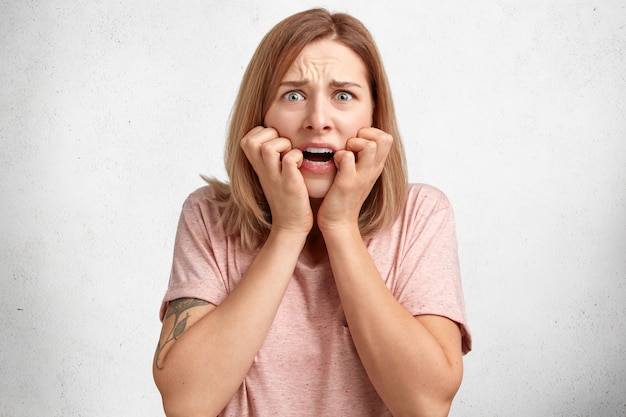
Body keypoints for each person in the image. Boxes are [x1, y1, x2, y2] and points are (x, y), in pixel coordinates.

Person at [153, 8, 471, 417]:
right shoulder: (207, 215)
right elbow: (186, 403)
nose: (318, 121)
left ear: (374, 115)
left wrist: (339, 226)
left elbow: (425, 405)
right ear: (260, 117)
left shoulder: (421, 215)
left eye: (343, 95)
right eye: (293, 94)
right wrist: (288, 229)